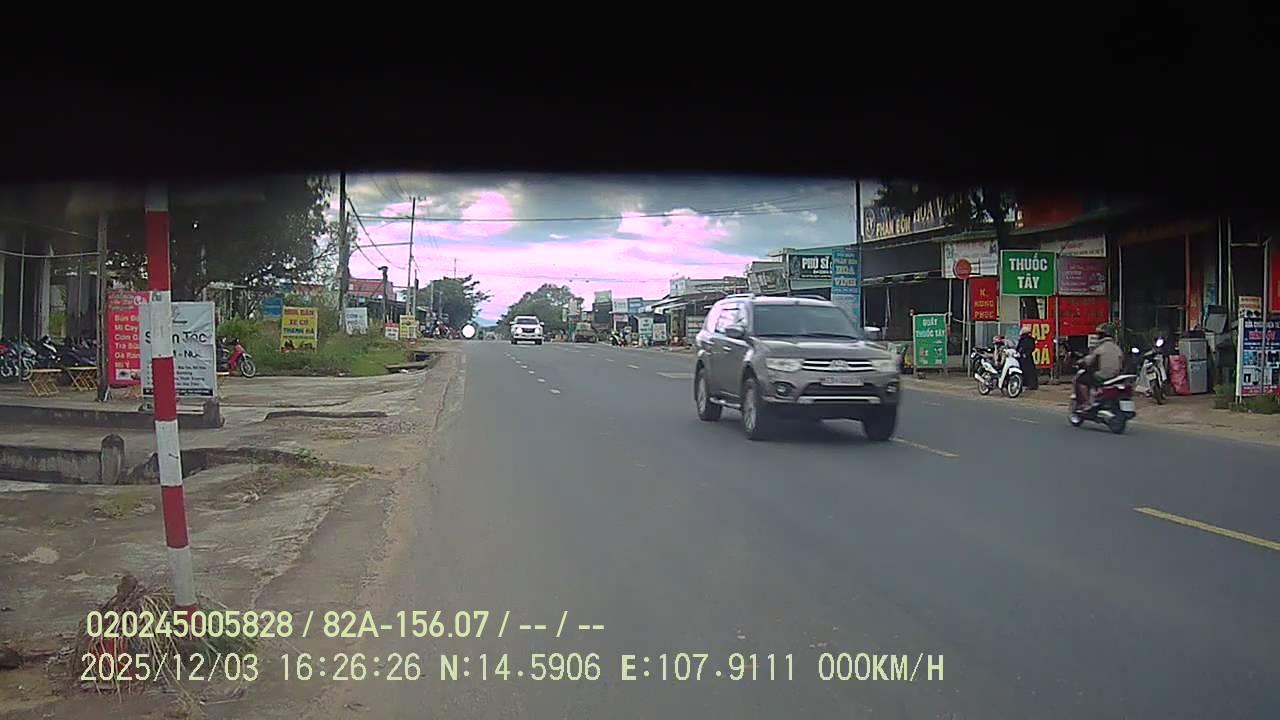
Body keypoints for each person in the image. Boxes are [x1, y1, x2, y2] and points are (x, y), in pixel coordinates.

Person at [1074, 324, 1124, 410]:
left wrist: (1081, 361)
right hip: (1116, 376)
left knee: (1081, 380)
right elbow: (1121, 362)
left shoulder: (1100, 347)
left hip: (1103, 375)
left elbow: (1089, 361)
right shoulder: (1117, 348)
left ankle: (1087, 403)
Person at [1016, 325, 1039, 390]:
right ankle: (1027, 384)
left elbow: (1029, 348)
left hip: (1026, 357)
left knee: (1028, 371)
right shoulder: (1028, 339)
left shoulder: (1027, 339)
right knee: (1027, 371)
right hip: (1024, 357)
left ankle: (1030, 384)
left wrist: (1025, 353)